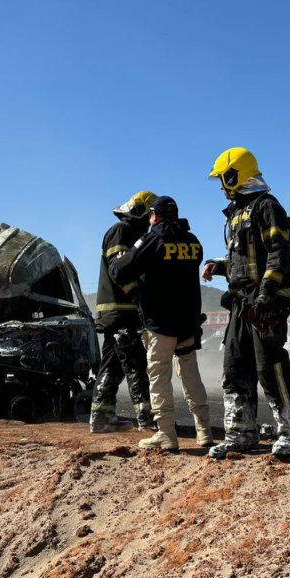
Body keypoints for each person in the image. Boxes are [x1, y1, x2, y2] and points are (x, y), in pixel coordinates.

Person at [202, 147, 290, 458]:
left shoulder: (267, 206)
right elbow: (244, 260)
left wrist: (266, 296)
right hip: (240, 302)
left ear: (236, 175)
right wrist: (217, 266)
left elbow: (278, 253)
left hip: (266, 302)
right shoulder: (235, 213)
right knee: (234, 367)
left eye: (223, 179)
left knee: (270, 367)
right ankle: (241, 433)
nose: (221, 186)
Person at [110, 196, 213, 451]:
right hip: (188, 322)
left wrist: (118, 259)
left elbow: (122, 270)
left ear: (155, 215)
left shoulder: (154, 239)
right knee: (191, 375)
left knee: (159, 377)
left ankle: (166, 433)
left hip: (161, 324)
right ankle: (205, 431)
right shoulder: (193, 241)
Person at [89, 191, 156, 433]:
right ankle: (147, 420)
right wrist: (139, 298)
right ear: (142, 213)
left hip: (115, 313)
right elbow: (120, 273)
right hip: (122, 312)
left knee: (112, 366)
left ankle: (101, 417)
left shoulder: (131, 233)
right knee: (136, 364)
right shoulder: (123, 231)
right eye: (151, 214)